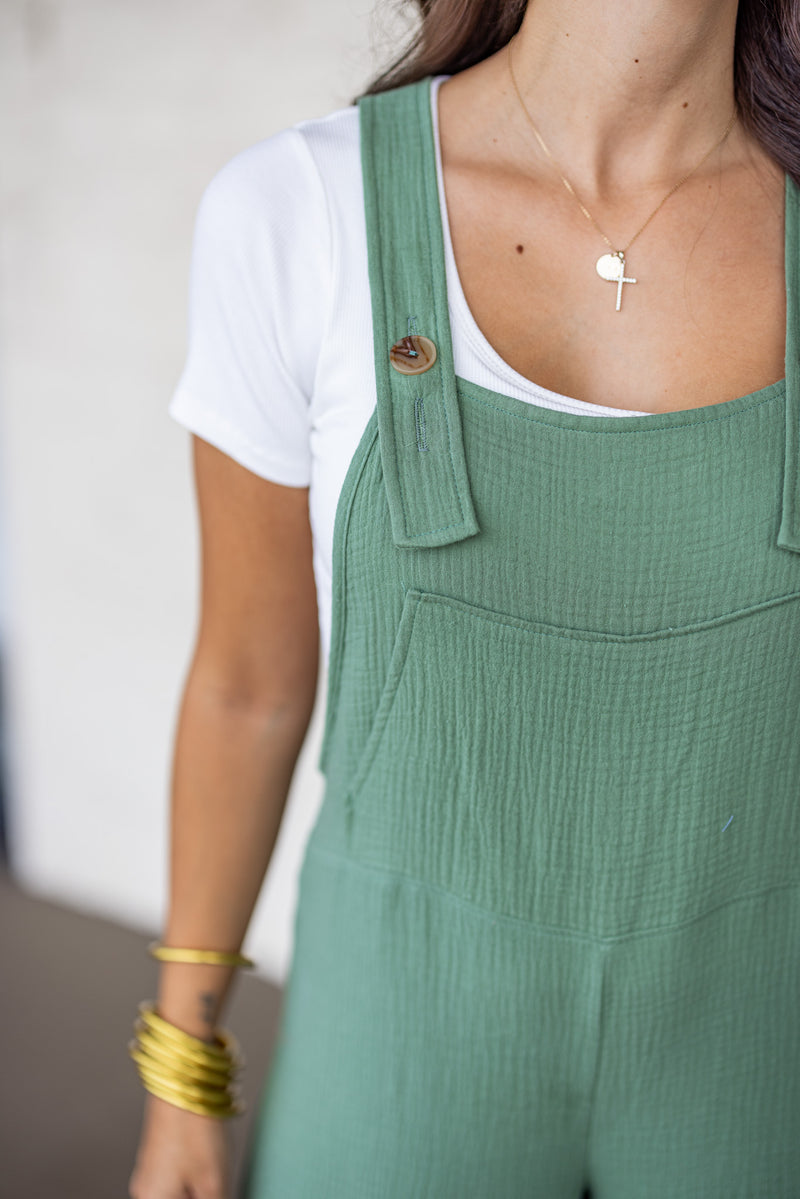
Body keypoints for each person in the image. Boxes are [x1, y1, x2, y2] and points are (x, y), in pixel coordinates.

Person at [128, 0, 800, 1195]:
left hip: (762, 1055)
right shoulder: (300, 214)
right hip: (394, 1047)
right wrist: (183, 1066)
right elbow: (244, 684)